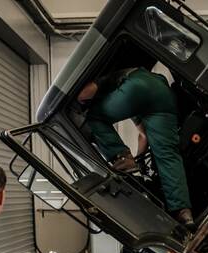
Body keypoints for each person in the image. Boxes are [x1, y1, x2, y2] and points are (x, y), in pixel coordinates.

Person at [79, 67, 195, 228]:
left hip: (137, 85)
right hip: (163, 94)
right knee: (168, 155)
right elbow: (144, 135)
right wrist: (138, 160)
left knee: (94, 117)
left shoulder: (107, 80)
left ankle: (121, 157)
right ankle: (183, 212)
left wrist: (78, 102)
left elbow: (82, 94)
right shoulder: (134, 104)